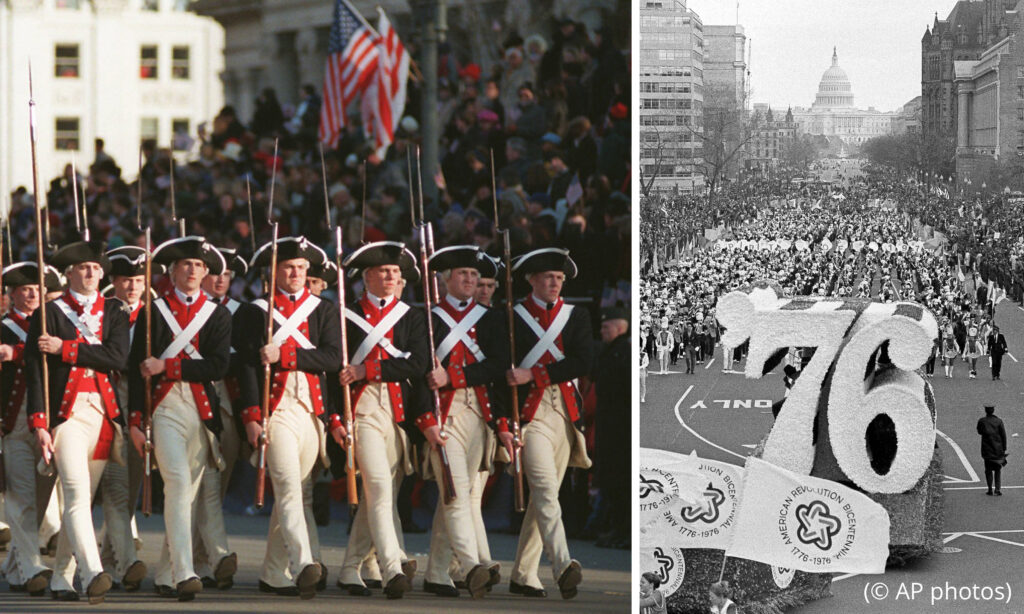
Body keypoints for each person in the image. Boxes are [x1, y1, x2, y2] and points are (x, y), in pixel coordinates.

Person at [128, 236, 233, 601]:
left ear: (206, 272)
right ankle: (186, 571)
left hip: (201, 410)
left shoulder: (217, 314)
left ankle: (166, 572)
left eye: (199, 266)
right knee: (176, 481)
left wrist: (168, 364)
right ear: (172, 271)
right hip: (163, 406)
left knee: (186, 494)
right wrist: (136, 422)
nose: (192, 270)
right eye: (185, 264)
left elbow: (219, 364)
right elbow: (134, 369)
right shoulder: (153, 311)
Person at [27, 240, 130, 604]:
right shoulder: (49, 313)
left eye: (95, 268)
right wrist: (40, 422)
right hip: (66, 415)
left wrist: (65, 348)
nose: (90, 273)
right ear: (69, 273)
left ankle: (61, 578)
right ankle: (93, 572)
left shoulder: (114, 311)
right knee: (74, 491)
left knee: (83, 501)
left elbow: (117, 356)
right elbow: (35, 373)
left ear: (102, 273)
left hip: (102, 414)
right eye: (83, 268)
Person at [239, 236, 337, 599]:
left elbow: (331, 358)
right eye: (288, 268)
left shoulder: (323, 310)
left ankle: (271, 572)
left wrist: (287, 356)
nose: (295, 273)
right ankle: (304, 563)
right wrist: (251, 416)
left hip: (311, 411)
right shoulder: (256, 311)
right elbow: (247, 368)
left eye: (300, 268)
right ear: (275, 272)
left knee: (293, 491)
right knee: (289, 487)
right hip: (274, 410)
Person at [336, 241, 427, 600]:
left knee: (382, 493)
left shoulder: (413, 316)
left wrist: (367, 369)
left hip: (398, 414)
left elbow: (417, 364)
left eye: (395, 272)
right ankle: (392, 567)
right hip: (361, 410)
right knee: (378, 486)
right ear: (367, 277)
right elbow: (334, 372)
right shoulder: (346, 315)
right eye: (383, 272)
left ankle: (348, 567)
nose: (390, 277)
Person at [420, 245, 506, 598]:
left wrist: (453, 377)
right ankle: (471, 566)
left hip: (478, 414)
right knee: (455, 493)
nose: (470, 280)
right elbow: (420, 373)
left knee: (457, 492)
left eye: (474, 275)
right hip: (444, 415)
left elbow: (496, 367)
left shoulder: (490, 320)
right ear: (445, 280)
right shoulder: (428, 319)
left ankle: (437, 572)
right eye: (463, 275)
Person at [506, 247, 591, 600]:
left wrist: (534, 373)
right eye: (548, 278)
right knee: (543, 490)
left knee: (547, 496)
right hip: (530, 417)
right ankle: (562, 565)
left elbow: (584, 360)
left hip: (565, 416)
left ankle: (523, 574)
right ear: (531, 281)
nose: (555, 283)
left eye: (559, 278)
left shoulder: (576, 316)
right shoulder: (512, 317)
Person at [0, 262, 62, 597]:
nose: (32, 294)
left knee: (40, 498)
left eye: (37, 289)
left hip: (49, 419)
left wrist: (17, 352)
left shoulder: (53, 325)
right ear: (11, 294)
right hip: (14, 420)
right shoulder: (4, 327)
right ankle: (33, 566)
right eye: (24, 289)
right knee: (21, 498)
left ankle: (15, 567)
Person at [191, 247, 248, 590]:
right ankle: (208, 557)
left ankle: (203, 558)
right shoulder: (182, 311)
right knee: (196, 484)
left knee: (217, 483)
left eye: (227, 275)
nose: (220, 280)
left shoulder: (241, 313)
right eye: (215, 274)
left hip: (226, 404)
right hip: (189, 402)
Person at [96, 246, 150, 592]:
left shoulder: (154, 316)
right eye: (125, 279)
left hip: (143, 404)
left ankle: (108, 559)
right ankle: (129, 560)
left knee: (131, 484)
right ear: (113, 281)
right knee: (115, 485)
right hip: (109, 400)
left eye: (137, 280)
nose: (131, 286)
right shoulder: (101, 313)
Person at [594, 306, 629, 550]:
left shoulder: (621, 352)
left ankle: (622, 531)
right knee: (612, 481)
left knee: (619, 481)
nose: (602, 331)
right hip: (611, 425)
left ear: (619, 327)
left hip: (619, 429)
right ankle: (617, 529)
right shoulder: (612, 351)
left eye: (606, 327)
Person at [977, 405, 1007, 496]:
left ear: (986, 411)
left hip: (987, 450)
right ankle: (997, 489)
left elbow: (979, 431)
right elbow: (1003, 436)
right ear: (993, 411)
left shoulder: (982, 421)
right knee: (998, 470)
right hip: (998, 450)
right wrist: (1004, 448)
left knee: (988, 470)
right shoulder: (999, 421)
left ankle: (989, 488)